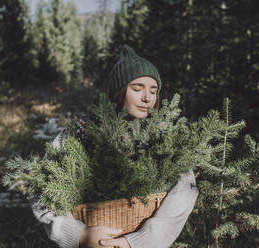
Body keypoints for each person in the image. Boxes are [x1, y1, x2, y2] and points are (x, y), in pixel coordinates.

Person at [30, 45, 199, 248]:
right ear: (118, 92)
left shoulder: (164, 137)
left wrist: (140, 241)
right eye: (137, 89)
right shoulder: (81, 133)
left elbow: (186, 190)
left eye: (153, 91)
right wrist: (78, 235)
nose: (147, 97)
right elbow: (41, 189)